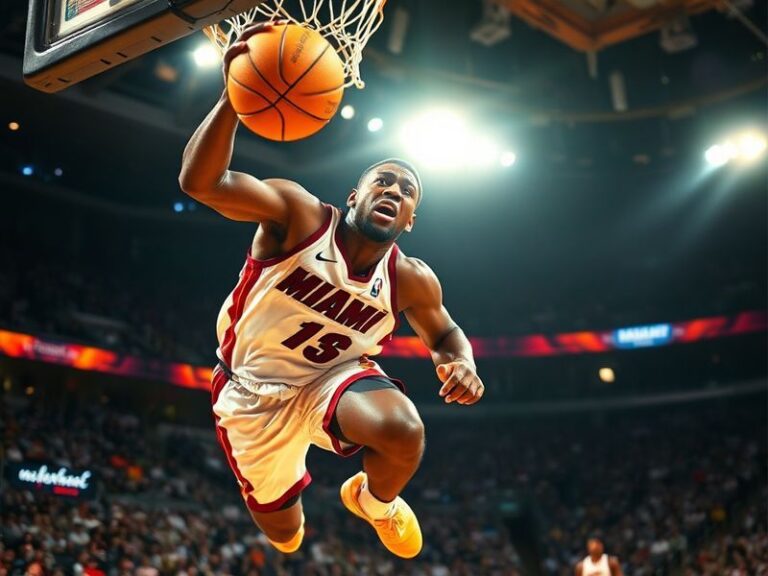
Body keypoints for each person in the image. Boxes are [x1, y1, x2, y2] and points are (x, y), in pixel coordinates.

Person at [178, 23, 484, 560]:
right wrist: (235, 96)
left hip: (333, 379)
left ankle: (375, 502)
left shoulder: (410, 278)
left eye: (407, 191)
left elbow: (446, 332)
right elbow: (201, 183)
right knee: (285, 538)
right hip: (253, 390)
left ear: (410, 219)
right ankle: (286, 515)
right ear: (356, 195)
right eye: (384, 181)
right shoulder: (299, 215)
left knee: (404, 430)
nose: (394, 190)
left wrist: (462, 362)